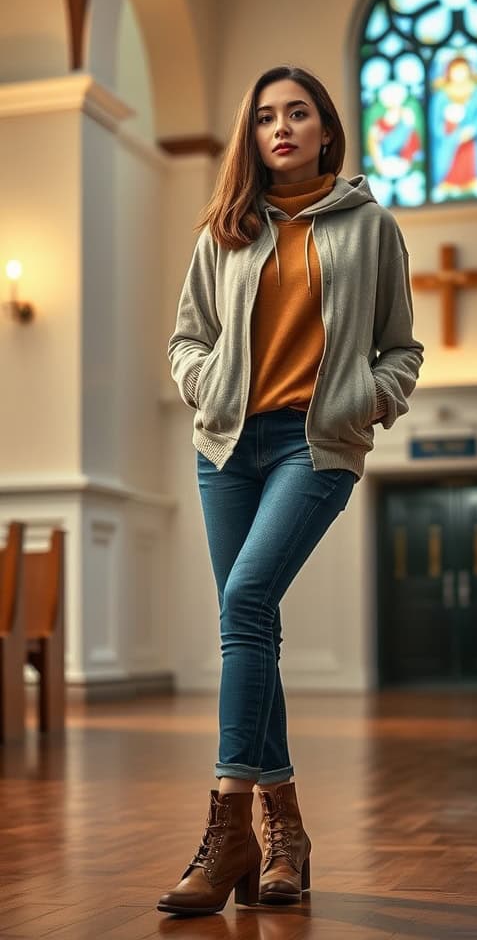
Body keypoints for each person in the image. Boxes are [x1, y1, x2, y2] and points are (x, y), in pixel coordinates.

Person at [157, 65, 424, 917]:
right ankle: (287, 838)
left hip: (315, 447)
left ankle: (230, 821)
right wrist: (206, 385)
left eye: (298, 113)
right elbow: (186, 339)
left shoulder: (369, 226)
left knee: (243, 598)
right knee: (253, 621)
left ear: (325, 130)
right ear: (253, 135)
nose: (282, 127)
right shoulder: (224, 232)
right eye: (267, 115)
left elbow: (401, 349)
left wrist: (368, 400)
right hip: (226, 446)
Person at [429, 55, 477, 199]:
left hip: (471, 142)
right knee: (449, 163)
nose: (459, 74)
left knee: (469, 163)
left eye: (463, 70)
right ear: (449, 72)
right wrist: (447, 131)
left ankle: (474, 182)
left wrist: (472, 130)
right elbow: (435, 122)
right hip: (449, 141)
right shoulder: (441, 95)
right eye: (456, 71)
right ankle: (447, 184)